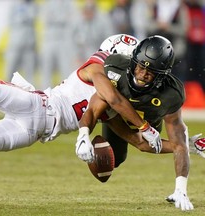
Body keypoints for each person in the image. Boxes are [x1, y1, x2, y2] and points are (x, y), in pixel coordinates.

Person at [0, 34, 161, 160]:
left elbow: (136, 140)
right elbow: (114, 99)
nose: (134, 68)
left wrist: (185, 147)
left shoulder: (113, 101)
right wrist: (145, 125)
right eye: (131, 62)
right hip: (37, 105)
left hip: (34, 132)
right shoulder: (98, 68)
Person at [75, 35, 199, 211]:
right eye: (140, 67)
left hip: (150, 123)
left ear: (162, 76)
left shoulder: (171, 93)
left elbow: (175, 142)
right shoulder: (114, 68)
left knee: (165, 144)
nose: (142, 74)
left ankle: (190, 147)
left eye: (151, 72)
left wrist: (181, 189)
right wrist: (83, 134)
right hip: (117, 118)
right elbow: (96, 108)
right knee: (114, 159)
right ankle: (191, 146)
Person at [6, 0, 38, 85]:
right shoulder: (14, 4)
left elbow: (33, 17)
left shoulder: (33, 5)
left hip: (29, 42)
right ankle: (7, 88)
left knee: (29, 70)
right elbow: (10, 21)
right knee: (11, 68)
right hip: (16, 41)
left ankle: (30, 93)